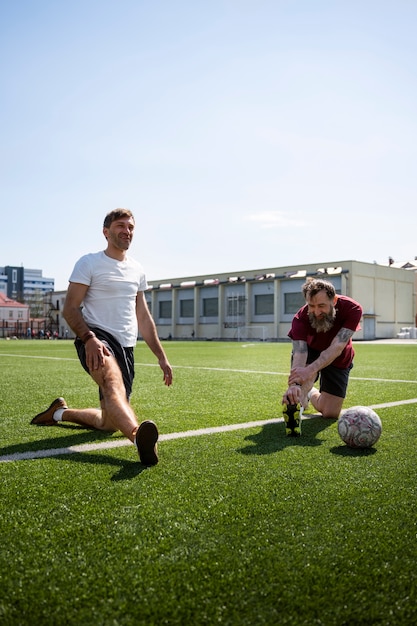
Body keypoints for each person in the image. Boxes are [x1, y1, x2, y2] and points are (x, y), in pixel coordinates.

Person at [31, 208, 173, 465]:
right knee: (112, 385)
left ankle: (58, 414)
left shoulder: (137, 270)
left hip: (126, 348)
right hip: (97, 339)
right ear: (106, 232)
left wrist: (161, 357)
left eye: (130, 227)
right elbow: (70, 308)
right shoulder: (89, 263)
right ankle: (136, 435)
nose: (126, 231)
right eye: (121, 226)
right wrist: (89, 339)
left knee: (107, 422)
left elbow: (144, 317)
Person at [282, 278, 362, 436]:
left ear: (334, 300)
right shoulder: (300, 318)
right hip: (311, 351)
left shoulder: (352, 308)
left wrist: (310, 370)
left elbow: (337, 346)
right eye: (311, 306)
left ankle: (311, 393)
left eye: (321, 306)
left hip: (339, 356)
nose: (316, 312)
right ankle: (300, 401)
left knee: (330, 413)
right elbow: (299, 353)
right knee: (301, 388)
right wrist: (296, 382)